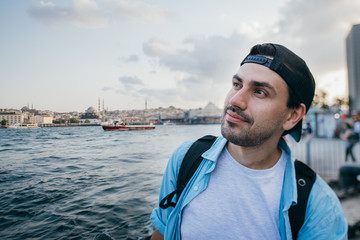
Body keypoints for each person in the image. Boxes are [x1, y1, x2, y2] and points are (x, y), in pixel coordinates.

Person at [150, 43, 347, 239]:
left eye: (260, 92)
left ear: (292, 116)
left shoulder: (318, 206)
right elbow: (162, 232)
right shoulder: (186, 158)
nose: (235, 100)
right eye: (237, 85)